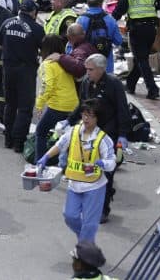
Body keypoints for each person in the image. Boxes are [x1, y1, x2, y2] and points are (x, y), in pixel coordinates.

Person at [38, 99, 116, 245]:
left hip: (94, 187)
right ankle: (85, 241)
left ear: (97, 119)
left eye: (90, 116)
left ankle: (85, 251)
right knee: (70, 216)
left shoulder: (103, 139)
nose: (86, 118)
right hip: (74, 185)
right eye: (84, 115)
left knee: (90, 224)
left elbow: (112, 163)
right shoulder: (73, 131)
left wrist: (103, 163)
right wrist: (46, 156)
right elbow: (60, 145)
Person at [67, 55, 131, 223]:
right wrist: (69, 121)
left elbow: (122, 110)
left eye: (90, 70)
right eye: (86, 69)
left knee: (106, 173)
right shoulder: (87, 83)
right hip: (91, 133)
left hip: (109, 132)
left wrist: (123, 134)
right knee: (89, 170)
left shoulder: (114, 85)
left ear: (101, 69)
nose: (87, 73)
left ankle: (103, 209)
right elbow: (82, 105)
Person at [0, 0, 45, 152]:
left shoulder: (6, 23)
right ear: (33, 12)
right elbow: (43, 49)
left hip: (8, 68)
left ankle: (8, 139)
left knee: (10, 104)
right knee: (25, 108)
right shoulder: (37, 28)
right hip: (26, 70)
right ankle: (19, 142)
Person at [34, 35, 79, 160]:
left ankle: (40, 163)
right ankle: (67, 162)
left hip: (58, 105)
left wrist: (39, 104)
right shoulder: (65, 61)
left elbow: (46, 85)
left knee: (41, 131)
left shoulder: (48, 64)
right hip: (74, 104)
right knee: (69, 135)